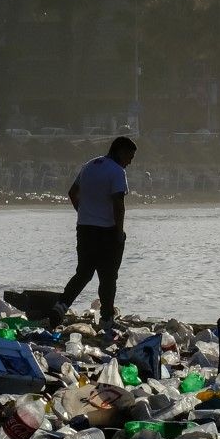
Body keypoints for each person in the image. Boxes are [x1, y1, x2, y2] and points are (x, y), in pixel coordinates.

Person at [51, 135, 135, 332]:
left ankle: (60, 306)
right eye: (130, 157)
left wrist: (85, 213)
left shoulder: (89, 165)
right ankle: (106, 320)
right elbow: (118, 205)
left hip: (85, 228)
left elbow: (72, 192)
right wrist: (119, 232)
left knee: (83, 273)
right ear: (121, 151)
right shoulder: (117, 171)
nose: (130, 162)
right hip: (106, 231)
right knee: (108, 278)